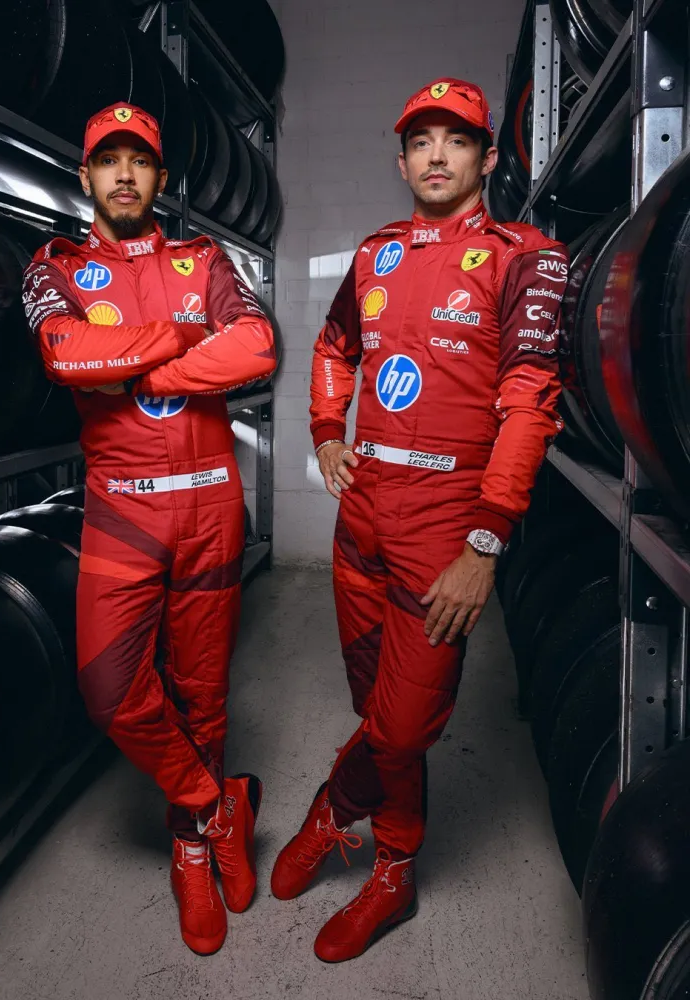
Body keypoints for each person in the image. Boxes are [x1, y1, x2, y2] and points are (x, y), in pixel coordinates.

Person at [271, 78, 568, 962]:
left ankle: (335, 810)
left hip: (445, 532)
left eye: (457, 139)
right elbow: (334, 348)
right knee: (375, 706)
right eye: (421, 141)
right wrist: (326, 432)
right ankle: (394, 870)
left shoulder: (526, 258)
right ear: (402, 161)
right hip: (360, 526)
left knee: (402, 726)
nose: (438, 155)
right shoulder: (375, 255)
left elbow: (529, 405)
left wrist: (486, 541)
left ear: (487, 157)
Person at [22, 103, 275, 957]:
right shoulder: (56, 267)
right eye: (109, 160)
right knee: (110, 689)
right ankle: (214, 803)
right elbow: (64, 353)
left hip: (209, 505)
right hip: (123, 509)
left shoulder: (205, 260)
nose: (125, 174)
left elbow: (259, 346)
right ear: (86, 176)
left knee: (203, 692)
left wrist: (135, 366)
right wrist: (182, 337)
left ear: (162, 178)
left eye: (140, 161)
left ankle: (189, 848)